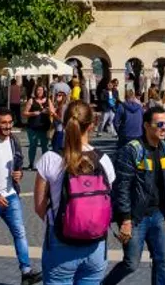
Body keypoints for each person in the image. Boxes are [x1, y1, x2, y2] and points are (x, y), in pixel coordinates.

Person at [36, 100, 115, 285]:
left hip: (61, 243)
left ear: (63, 123)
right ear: (92, 124)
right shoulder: (103, 160)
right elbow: (109, 201)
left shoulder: (51, 159)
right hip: (96, 245)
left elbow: (39, 207)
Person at [104, 105, 165, 285]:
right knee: (131, 263)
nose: (164, 128)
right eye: (159, 124)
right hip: (135, 217)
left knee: (162, 260)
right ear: (146, 125)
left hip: (158, 214)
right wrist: (125, 220)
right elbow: (122, 187)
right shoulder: (132, 150)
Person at [0, 107, 37, 285]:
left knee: (20, 232)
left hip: (11, 195)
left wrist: (18, 174)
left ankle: (26, 271)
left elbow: (18, 162)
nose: (8, 126)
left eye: (10, 123)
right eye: (3, 123)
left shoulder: (13, 140)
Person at [24, 84, 53, 168]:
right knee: (33, 146)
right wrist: (33, 113)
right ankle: (31, 164)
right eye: (38, 90)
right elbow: (25, 113)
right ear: (35, 91)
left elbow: (52, 112)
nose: (39, 91)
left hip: (44, 127)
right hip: (32, 127)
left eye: (41, 90)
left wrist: (48, 112)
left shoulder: (48, 100)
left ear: (44, 91)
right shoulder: (31, 100)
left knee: (45, 147)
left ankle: (45, 165)